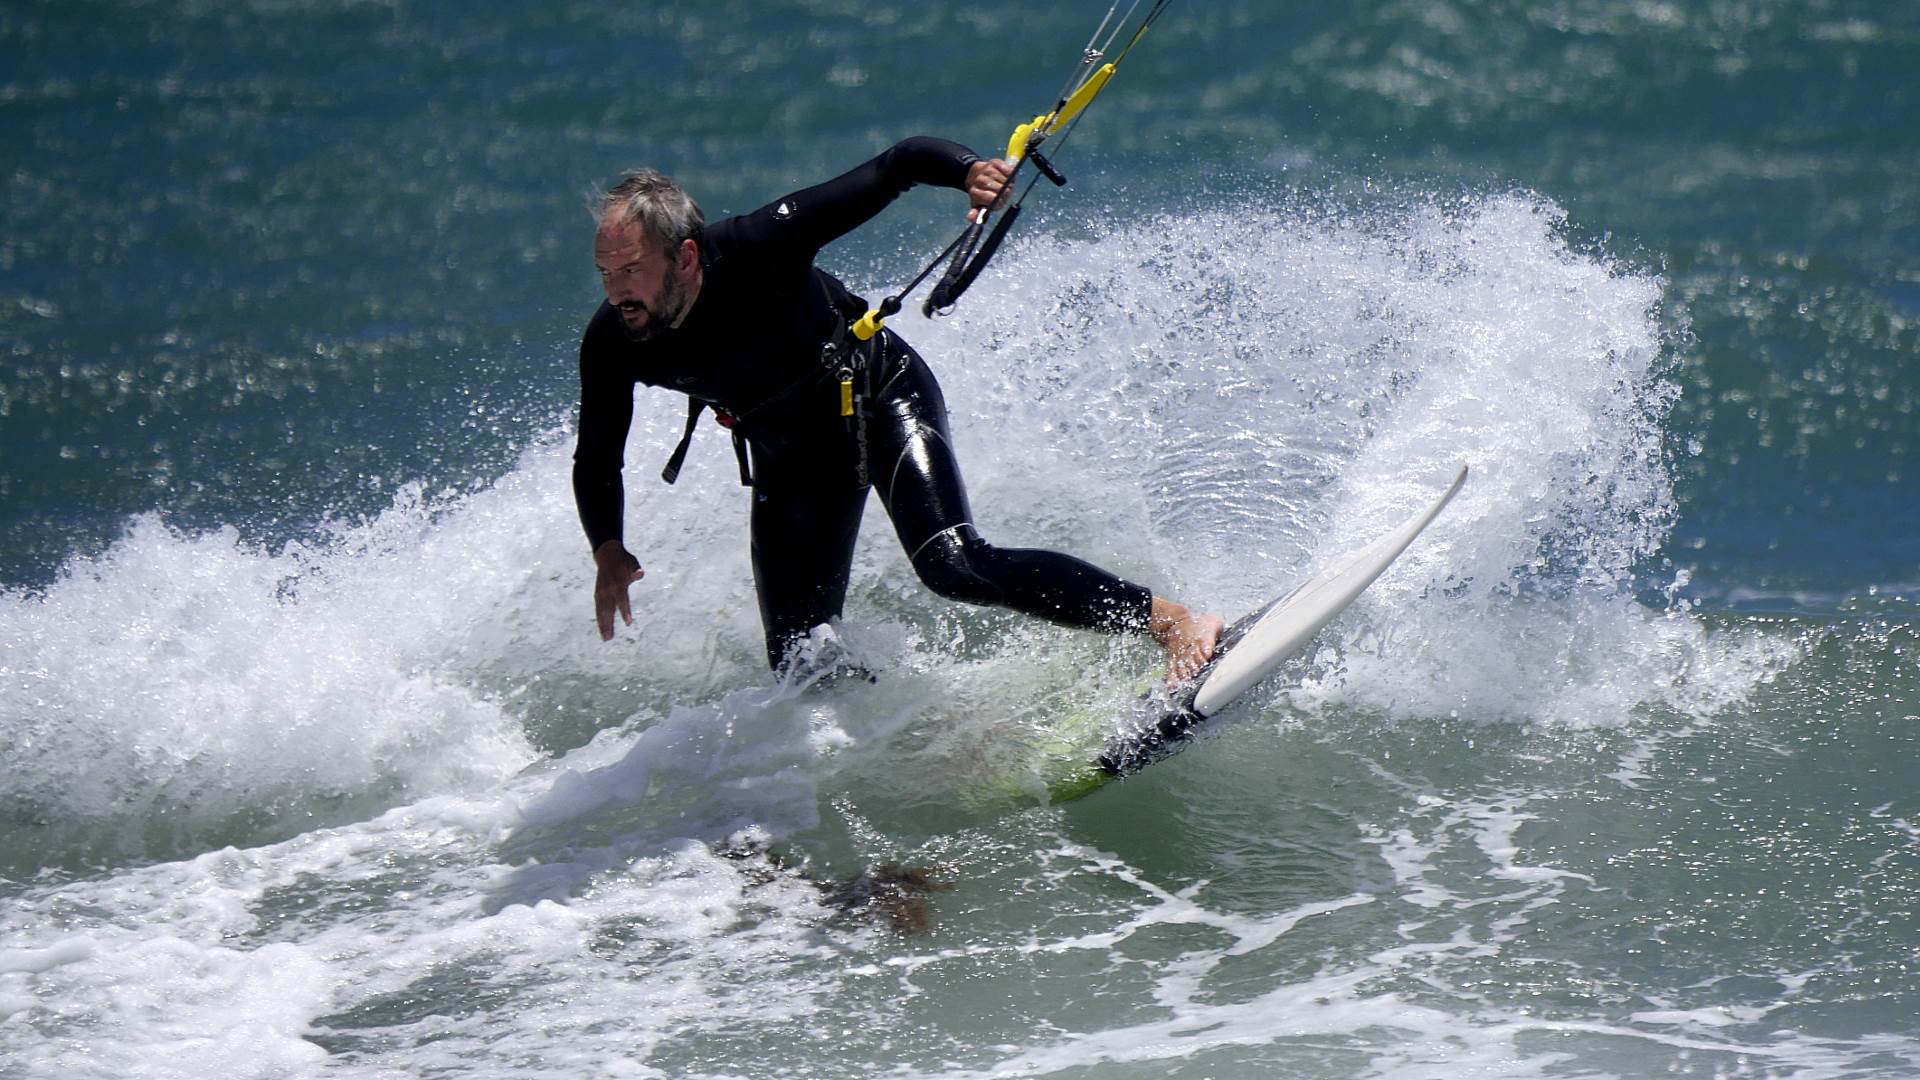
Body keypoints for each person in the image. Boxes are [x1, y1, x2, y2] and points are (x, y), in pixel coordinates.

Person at [572, 136, 1222, 680]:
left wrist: (969, 171)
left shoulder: (760, 245)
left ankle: (1172, 622)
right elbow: (597, 458)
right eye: (606, 273)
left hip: (879, 395)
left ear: (685, 257)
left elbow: (898, 164)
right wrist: (608, 549)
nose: (616, 291)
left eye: (631, 270)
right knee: (801, 660)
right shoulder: (613, 341)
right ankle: (901, 744)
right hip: (789, 456)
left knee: (953, 564)